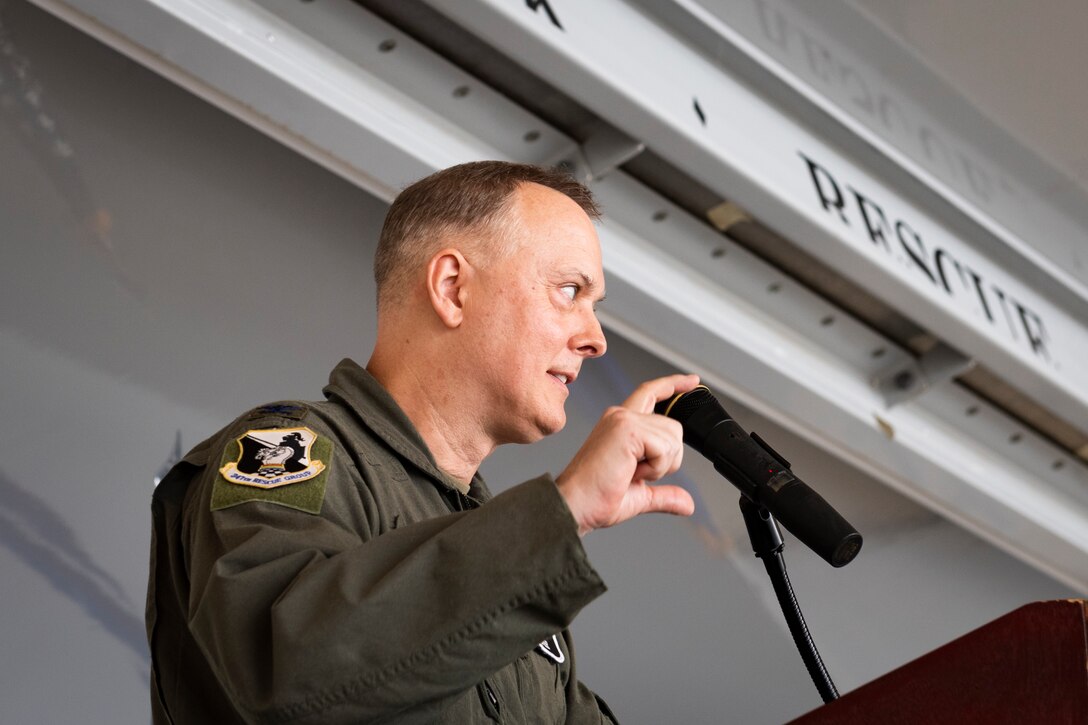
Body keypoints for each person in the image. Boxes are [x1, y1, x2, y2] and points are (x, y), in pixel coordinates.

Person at [146, 160, 700, 724]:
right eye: (568, 290)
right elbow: (287, 671)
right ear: (452, 288)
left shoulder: (504, 548)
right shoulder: (289, 450)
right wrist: (565, 512)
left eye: (593, 305)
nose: (596, 339)